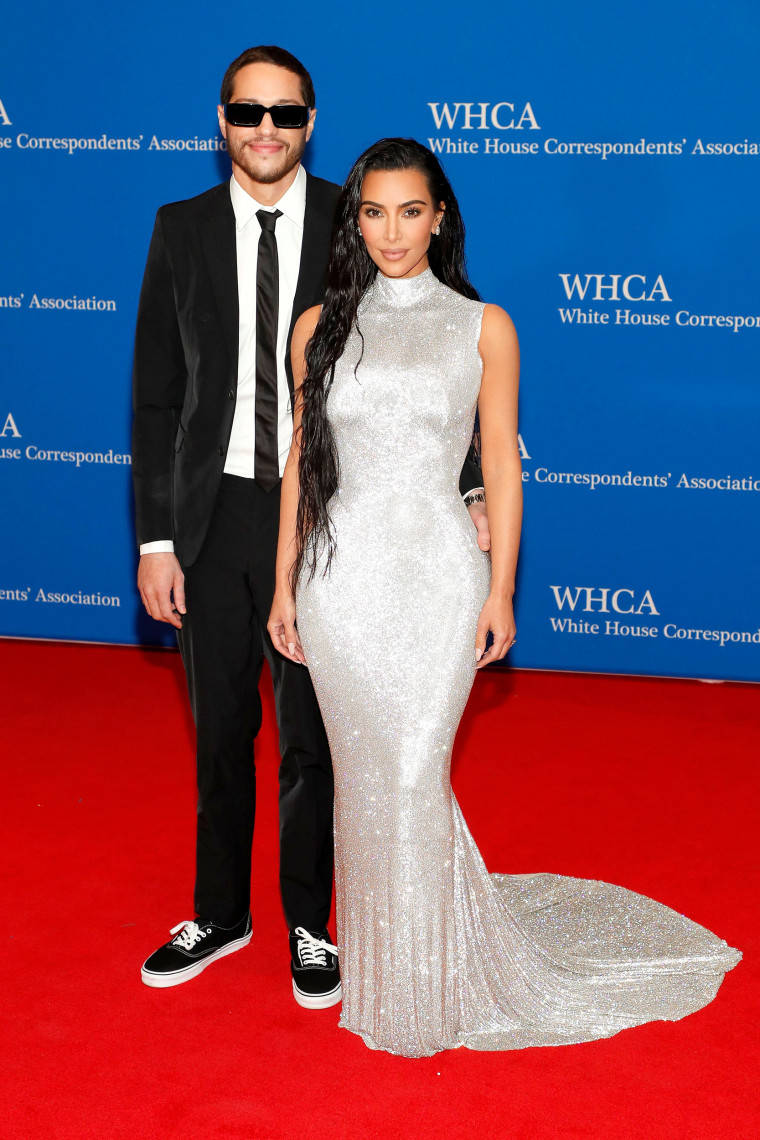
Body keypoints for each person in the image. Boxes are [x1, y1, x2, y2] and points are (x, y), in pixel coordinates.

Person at [268, 137, 741, 1057]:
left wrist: (500, 587)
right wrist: (286, 579)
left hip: (440, 574)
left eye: (411, 211)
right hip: (341, 582)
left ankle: (428, 981)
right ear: (352, 219)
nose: (392, 232)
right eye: (373, 212)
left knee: (413, 772)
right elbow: (301, 466)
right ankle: (392, 964)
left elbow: (499, 468)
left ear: (440, 216)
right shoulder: (317, 326)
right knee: (368, 779)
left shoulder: (484, 326)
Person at [131, 49, 489, 1006]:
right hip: (211, 517)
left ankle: (308, 924)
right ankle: (218, 912)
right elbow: (158, 397)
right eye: (249, 110)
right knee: (218, 729)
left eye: (285, 112)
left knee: (310, 741)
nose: (266, 128)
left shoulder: (356, 213)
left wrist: (470, 484)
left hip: (326, 523)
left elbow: (430, 363)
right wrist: (156, 538)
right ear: (221, 121)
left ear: (310, 122)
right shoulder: (180, 229)